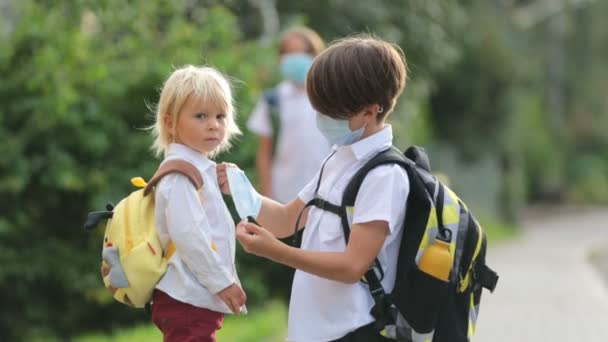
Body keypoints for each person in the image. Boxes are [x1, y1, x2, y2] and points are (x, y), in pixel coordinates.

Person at [218, 35, 409, 341]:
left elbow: (351, 265)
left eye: (330, 113)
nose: (321, 119)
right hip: (315, 331)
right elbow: (284, 220)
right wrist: (242, 191)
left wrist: (278, 252)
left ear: (369, 112)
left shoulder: (384, 176)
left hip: (354, 330)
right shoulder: (339, 157)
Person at [149, 65, 247, 342]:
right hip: (187, 297)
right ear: (170, 123)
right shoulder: (180, 175)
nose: (214, 124)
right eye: (200, 115)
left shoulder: (199, 169)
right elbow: (190, 236)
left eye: (220, 115)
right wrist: (222, 282)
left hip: (193, 297)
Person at [247, 26, 330, 203]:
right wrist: (266, 196)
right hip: (283, 195)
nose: (296, 58)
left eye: (302, 52)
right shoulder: (273, 101)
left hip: (326, 195)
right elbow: (264, 152)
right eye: (290, 53)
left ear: (316, 56)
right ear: (280, 59)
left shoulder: (331, 98)